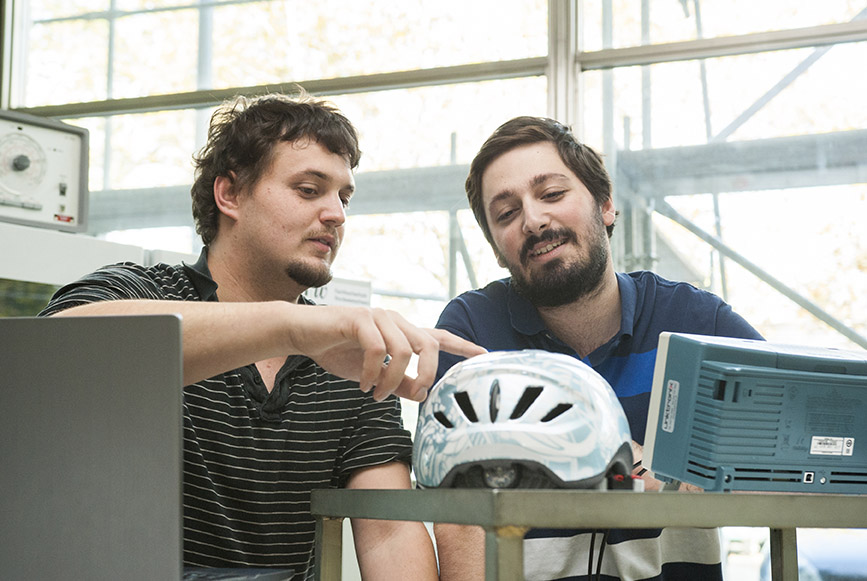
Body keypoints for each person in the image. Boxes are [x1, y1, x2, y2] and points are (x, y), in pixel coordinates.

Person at [39, 92, 485, 580]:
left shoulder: (348, 358)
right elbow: (56, 352)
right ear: (229, 194)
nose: (336, 214)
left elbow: (389, 533)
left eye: (343, 198)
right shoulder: (144, 291)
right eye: (309, 189)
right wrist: (292, 328)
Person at [432, 116, 763, 581]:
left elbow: (795, 450)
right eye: (506, 214)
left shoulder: (695, 321)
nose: (533, 220)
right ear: (496, 248)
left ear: (605, 205)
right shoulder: (471, 330)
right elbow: (457, 516)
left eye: (552, 194)